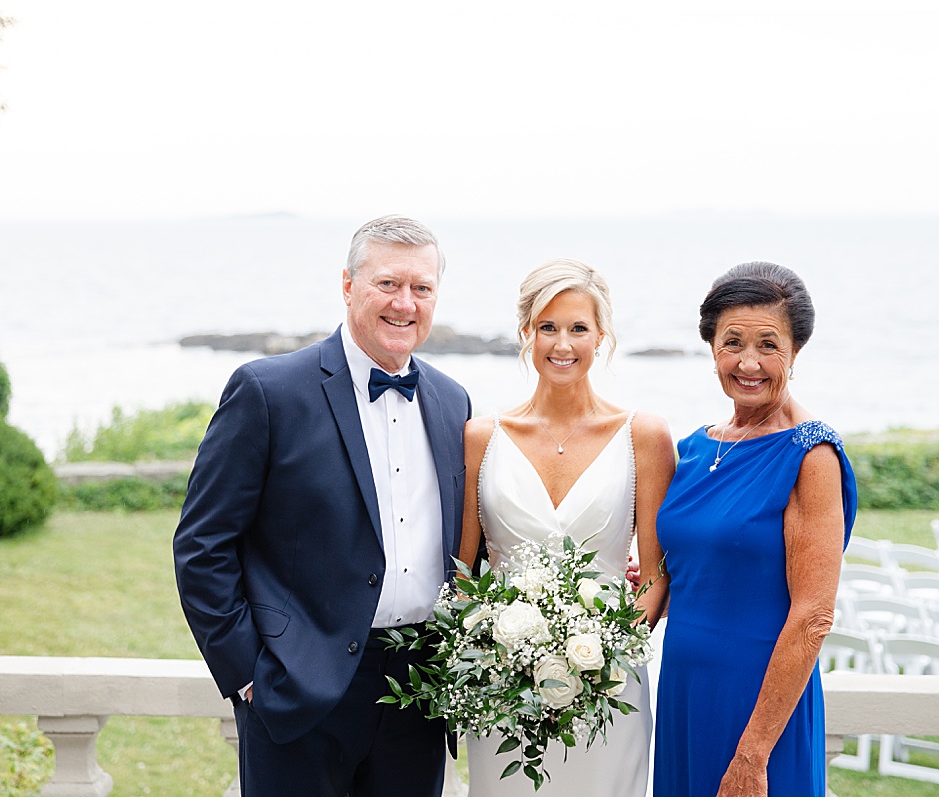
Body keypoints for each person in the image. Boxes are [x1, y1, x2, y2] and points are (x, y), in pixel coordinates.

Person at [172, 215, 471, 797]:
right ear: (348, 284)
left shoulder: (451, 399)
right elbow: (202, 545)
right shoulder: (268, 391)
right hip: (298, 691)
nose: (405, 303)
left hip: (420, 693)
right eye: (388, 284)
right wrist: (249, 677)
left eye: (422, 288)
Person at [457, 258, 676, 796]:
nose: (563, 343)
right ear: (526, 333)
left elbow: (656, 573)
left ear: (602, 336)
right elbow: (463, 569)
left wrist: (604, 653)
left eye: (578, 328)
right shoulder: (481, 437)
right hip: (502, 690)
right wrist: (495, 653)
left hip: (610, 687)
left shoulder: (642, 436)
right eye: (548, 327)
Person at [651, 261, 858, 797]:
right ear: (711, 347)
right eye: (732, 342)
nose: (749, 362)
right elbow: (701, 568)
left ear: (796, 350)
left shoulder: (809, 456)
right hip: (684, 689)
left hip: (760, 706)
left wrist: (753, 754)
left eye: (768, 344)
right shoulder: (696, 448)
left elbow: (814, 615)